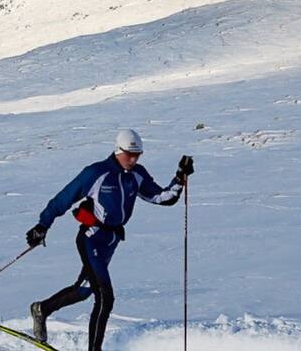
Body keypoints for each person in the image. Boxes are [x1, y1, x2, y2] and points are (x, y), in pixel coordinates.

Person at [23, 129, 193, 351]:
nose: (133, 159)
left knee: (84, 290)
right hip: (91, 238)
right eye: (129, 154)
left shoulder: (137, 174)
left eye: (138, 155)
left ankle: (42, 309)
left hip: (110, 241)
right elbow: (63, 199)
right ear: (118, 150)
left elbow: (163, 197)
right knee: (105, 298)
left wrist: (180, 177)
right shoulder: (96, 173)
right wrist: (42, 225)